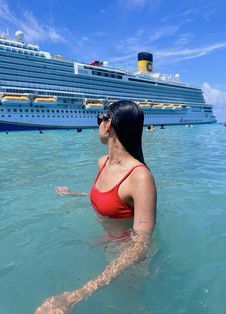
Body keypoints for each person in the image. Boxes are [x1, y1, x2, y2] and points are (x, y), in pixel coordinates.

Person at [35, 100, 157, 314]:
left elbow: (141, 245)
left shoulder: (140, 177)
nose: (97, 126)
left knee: (127, 305)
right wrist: (76, 194)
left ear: (108, 124)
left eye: (99, 120)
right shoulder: (103, 162)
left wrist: (74, 296)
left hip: (127, 261)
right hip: (107, 244)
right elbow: (110, 198)